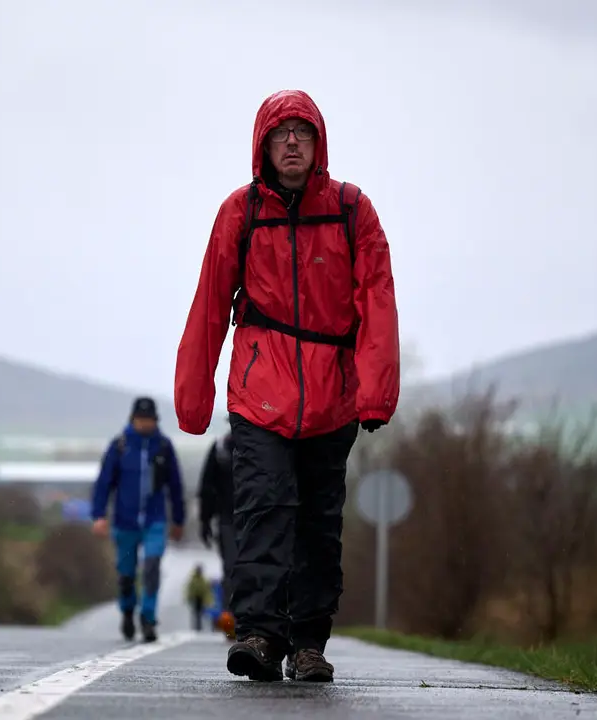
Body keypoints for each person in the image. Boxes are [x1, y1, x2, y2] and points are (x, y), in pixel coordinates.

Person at [173, 89, 400, 683]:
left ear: (318, 143)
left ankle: (307, 644)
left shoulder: (354, 211)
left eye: (302, 132)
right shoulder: (240, 213)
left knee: (319, 523)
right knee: (263, 509)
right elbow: (208, 305)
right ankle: (258, 634)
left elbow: (377, 299)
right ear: (263, 147)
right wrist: (193, 400)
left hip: (333, 395)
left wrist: (375, 391)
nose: (292, 142)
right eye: (281, 134)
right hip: (260, 391)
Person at [90, 396, 186, 643]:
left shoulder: (164, 447)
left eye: (149, 419)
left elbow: (175, 486)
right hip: (125, 521)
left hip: (155, 520)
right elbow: (104, 483)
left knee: (152, 568)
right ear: (132, 420)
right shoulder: (120, 446)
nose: (145, 424)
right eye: (141, 419)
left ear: (156, 421)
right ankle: (128, 610)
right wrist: (99, 515)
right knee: (127, 574)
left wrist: (179, 519)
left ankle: (148, 617)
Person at [196, 427, 236, 623]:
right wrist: (205, 520)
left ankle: (250, 619)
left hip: (258, 519)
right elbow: (207, 486)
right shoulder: (221, 448)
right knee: (231, 567)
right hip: (228, 518)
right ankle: (230, 616)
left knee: (249, 568)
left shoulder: (265, 446)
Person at [185, 564, 214, 632]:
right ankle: (197, 626)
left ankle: (199, 626)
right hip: (195, 598)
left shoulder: (202, 579)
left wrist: (207, 599)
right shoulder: (194, 579)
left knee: (200, 613)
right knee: (196, 613)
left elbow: (206, 590)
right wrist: (189, 597)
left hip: (200, 598)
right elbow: (190, 589)